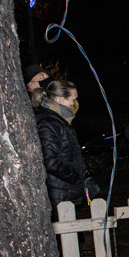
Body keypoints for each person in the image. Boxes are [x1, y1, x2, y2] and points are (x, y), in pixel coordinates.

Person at [33, 79, 100, 214]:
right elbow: (50, 160)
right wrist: (76, 177)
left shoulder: (60, 120)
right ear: (61, 100)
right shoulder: (49, 123)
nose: (75, 103)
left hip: (66, 191)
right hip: (60, 193)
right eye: (73, 99)